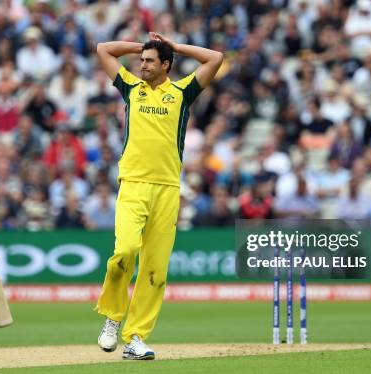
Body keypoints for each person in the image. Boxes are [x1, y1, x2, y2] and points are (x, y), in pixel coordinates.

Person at [94, 32, 222, 360]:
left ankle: (136, 337)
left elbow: (215, 58)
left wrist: (175, 47)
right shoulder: (130, 88)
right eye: (142, 60)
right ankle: (113, 317)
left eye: (151, 61)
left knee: (155, 270)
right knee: (124, 251)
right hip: (133, 185)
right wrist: (143, 46)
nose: (142, 64)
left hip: (167, 189)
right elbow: (103, 50)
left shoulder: (181, 92)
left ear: (166, 65)